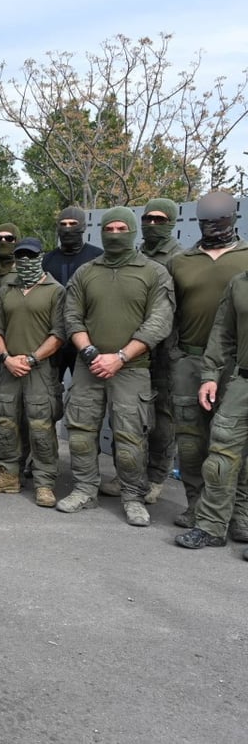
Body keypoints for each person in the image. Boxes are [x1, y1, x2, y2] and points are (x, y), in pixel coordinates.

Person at [57, 207, 174, 526]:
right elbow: (71, 317)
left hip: (133, 369)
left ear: (133, 231)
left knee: (130, 438)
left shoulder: (153, 273)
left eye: (123, 227)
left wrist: (120, 356)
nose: (116, 233)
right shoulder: (87, 272)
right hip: (89, 366)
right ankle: (84, 490)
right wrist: (92, 352)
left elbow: (159, 322)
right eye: (110, 228)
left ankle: (132, 497)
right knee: (81, 433)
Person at [165, 191, 248, 526]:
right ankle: (197, 507)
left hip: (238, 366)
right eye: (205, 222)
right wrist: (175, 355)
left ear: (234, 218)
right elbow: (168, 313)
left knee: (234, 444)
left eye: (220, 221)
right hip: (191, 360)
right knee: (190, 442)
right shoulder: (181, 261)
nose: (212, 228)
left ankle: (240, 513)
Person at [0, 238, 64, 506]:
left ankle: (44, 482)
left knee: (41, 426)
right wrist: (6, 358)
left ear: (41, 257)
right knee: (6, 422)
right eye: (21, 256)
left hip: (39, 370)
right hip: (9, 368)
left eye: (31, 255)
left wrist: (31, 358)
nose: (25, 261)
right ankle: (8, 475)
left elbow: (59, 333)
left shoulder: (56, 291)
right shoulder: (5, 290)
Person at [176, 267, 248, 554]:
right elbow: (222, 333)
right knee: (221, 455)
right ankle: (211, 526)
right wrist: (210, 376)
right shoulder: (240, 283)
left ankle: (242, 519)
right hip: (243, 381)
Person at [137, 198, 182, 504]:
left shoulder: (180, 258)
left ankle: (156, 477)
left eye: (159, 219)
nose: (152, 225)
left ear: (172, 222)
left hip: (166, 349)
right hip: (135, 348)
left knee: (163, 418)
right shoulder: (135, 253)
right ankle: (132, 475)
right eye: (148, 219)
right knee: (133, 415)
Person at [43, 206, 102, 377]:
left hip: (86, 337)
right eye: (63, 224)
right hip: (53, 337)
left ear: (82, 226)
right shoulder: (47, 260)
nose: (68, 228)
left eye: (73, 223)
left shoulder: (97, 257)